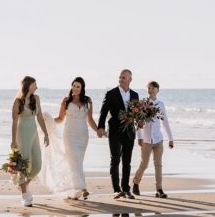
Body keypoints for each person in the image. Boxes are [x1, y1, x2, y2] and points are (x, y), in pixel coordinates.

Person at [54, 77, 99, 201]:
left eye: (78, 86)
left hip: (83, 135)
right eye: (74, 85)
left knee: (77, 162)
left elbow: (90, 120)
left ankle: (75, 190)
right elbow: (60, 119)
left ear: (82, 88)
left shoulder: (88, 101)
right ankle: (83, 189)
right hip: (69, 135)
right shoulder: (66, 101)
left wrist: (98, 130)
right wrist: (48, 121)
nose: (75, 88)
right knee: (76, 160)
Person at [97, 69, 140, 199]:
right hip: (114, 130)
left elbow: (137, 113)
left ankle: (126, 189)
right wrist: (100, 126)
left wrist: (140, 120)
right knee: (115, 159)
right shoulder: (111, 94)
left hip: (129, 132)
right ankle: (116, 189)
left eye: (124, 77)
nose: (121, 79)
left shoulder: (135, 95)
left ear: (130, 80)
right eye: (120, 77)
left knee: (127, 161)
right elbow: (103, 111)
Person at [10, 76, 50, 208]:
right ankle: (25, 196)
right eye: (35, 84)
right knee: (22, 165)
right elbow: (15, 122)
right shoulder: (17, 102)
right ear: (28, 85)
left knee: (37, 164)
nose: (37, 87)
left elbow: (39, 116)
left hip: (33, 134)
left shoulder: (36, 99)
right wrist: (13, 140)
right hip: (22, 135)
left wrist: (46, 133)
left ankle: (24, 185)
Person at [133, 81, 175, 199]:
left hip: (158, 139)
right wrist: (139, 137)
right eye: (149, 88)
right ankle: (136, 182)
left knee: (158, 164)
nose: (150, 90)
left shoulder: (160, 104)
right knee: (144, 164)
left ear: (157, 90)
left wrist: (170, 139)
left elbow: (165, 122)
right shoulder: (143, 104)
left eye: (152, 88)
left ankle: (159, 189)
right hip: (146, 140)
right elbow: (138, 122)